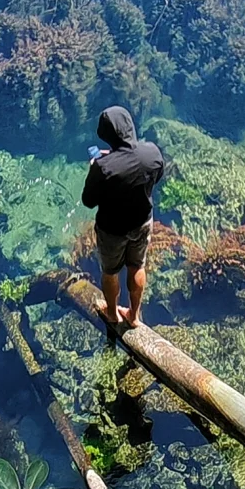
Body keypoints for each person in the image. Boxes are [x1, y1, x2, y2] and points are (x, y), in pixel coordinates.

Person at [81, 106, 164, 328]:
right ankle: (134, 317)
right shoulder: (152, 153)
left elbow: (88, 201)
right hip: (142, 223)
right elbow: (154, 175)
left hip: (112, 230)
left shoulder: (102, 168)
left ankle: (112, 313)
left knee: (110, 272)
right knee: (137, 266)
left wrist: (95, 168)